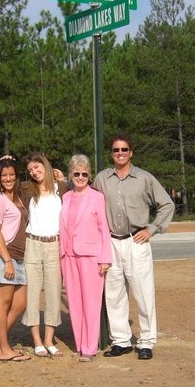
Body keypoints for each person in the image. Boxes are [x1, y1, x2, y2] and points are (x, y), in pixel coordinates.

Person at [93, 133, 175, 360]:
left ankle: (146, 341)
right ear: (111, 153)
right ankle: (121, 340)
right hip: (111, 242)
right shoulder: (101, 179)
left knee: (143, 293)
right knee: (114, 294)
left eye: (124, 149)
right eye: (116, 150)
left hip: (136, 241)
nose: (120, 153)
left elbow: (167, 204)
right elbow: (88, 201)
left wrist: (152, 229)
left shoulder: (144, 178)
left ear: (131, 152)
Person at [59, 154, 112, 362]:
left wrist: (105, 258)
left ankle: (90, 347)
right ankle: (80, 345)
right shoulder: (65, 198)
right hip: (68, 256)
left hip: (91, 256)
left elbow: (104, 229)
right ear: (70, 175)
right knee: (74, 302)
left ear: (89, 175)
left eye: (84, 173)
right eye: (76, 173)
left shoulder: (97, 197)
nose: (80, 177)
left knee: (91, 302)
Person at [0, 156, 31, 362]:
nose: (8, 178)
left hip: (20, 257)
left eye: (12, 174)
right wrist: (7, 260)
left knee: (20, 303)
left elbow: (40, 180)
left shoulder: (19, 196)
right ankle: (4, 349)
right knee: (2, 304)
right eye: (4, 175)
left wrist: (57, 175)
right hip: (2, 258)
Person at [21, 152, 69, 357]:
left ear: (45, 166)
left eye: (37, 167)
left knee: (53, 292)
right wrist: (7, 161)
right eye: (31, 170)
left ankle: (49, 339)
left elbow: (82, 186)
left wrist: (64, 177)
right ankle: (37, 341)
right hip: (33, 244)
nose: (34, 172)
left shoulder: (62, 188)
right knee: (31, 293)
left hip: (54, 245)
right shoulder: (26, 189)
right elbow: (4, 181)